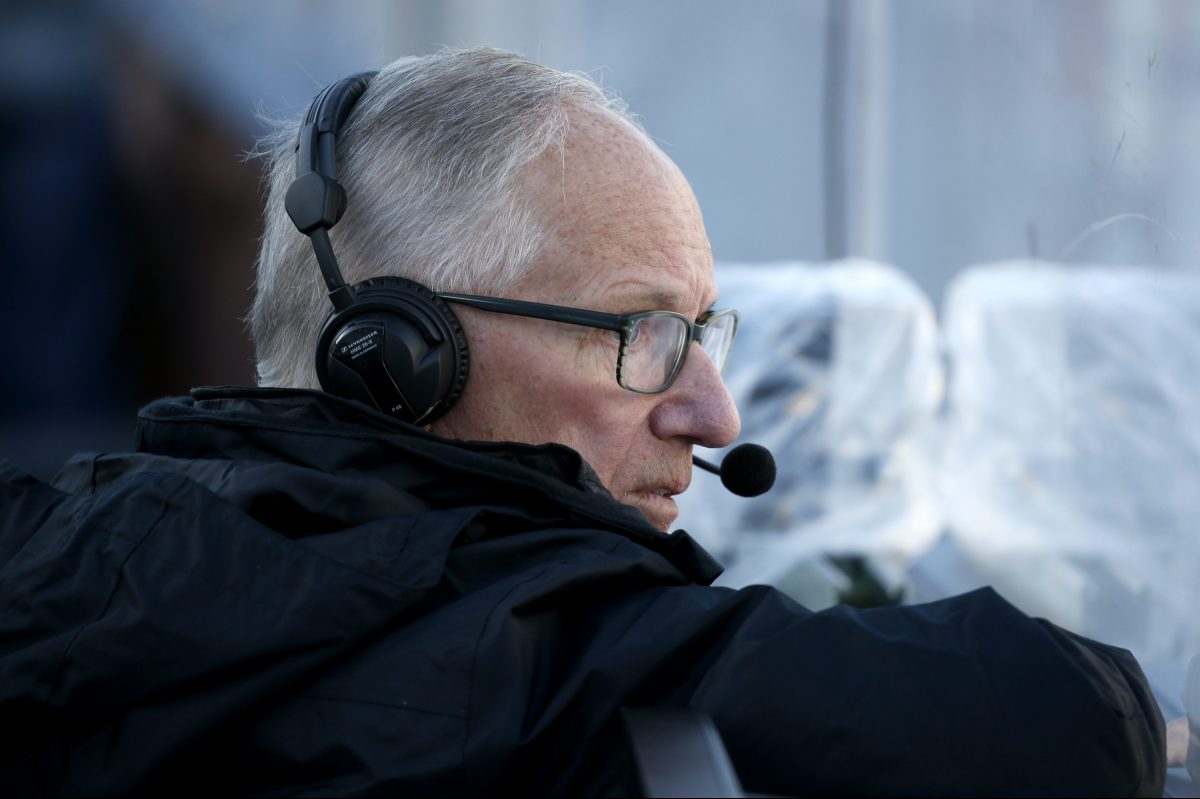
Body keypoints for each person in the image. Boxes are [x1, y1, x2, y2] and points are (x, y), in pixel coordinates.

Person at [0, 48, 1172, 796]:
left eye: (703, 333)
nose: (713, 412)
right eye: (642, 332)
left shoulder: (63, 543)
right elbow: (1058, 715)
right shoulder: (533, 651)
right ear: (403, 358)